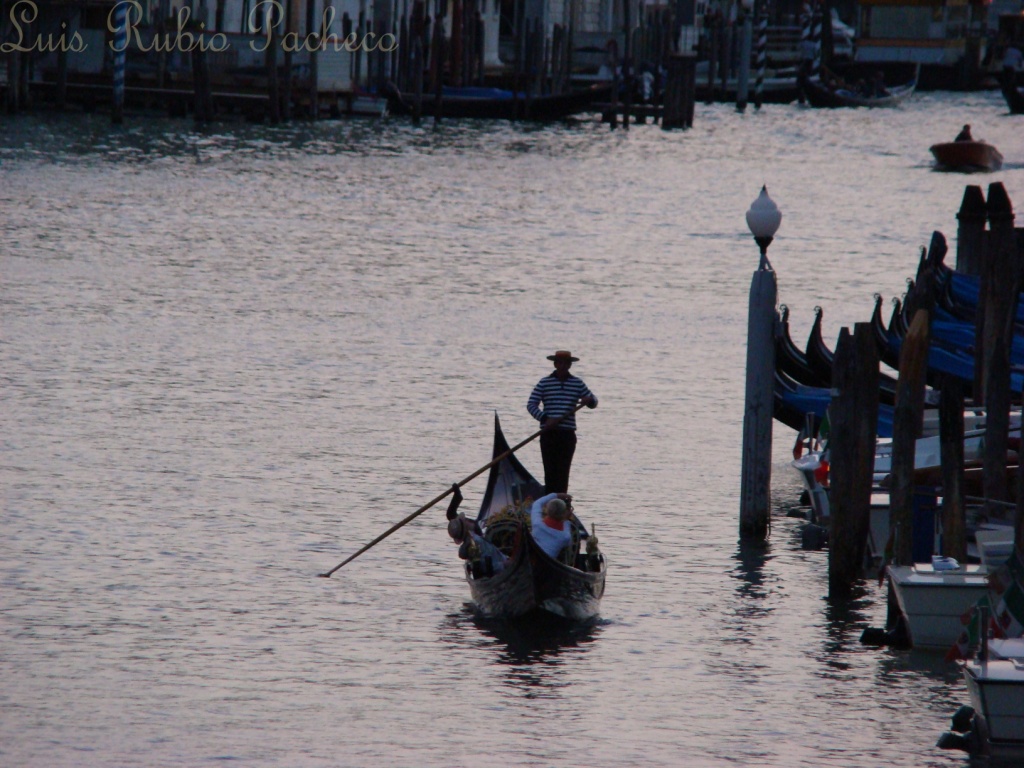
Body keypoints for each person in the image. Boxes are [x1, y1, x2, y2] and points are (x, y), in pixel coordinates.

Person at [527, 351, 598, 494]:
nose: (563, 365)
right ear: (555, 364)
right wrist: (545, 419)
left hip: (567, 434)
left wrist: (589, 400)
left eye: (566, 363)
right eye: (560, 362)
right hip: (548, 433)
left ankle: (560, 505)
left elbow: (594, 401)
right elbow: (531, 404)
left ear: (570, 365)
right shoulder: (544, 382)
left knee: (563, 472)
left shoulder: (577, 383)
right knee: (550, 472)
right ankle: (549, 505)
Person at [529, 492, 574, 559]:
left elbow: (537, 503)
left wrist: (556, 495)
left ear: (547, 511)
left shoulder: (537, 524)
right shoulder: (565, 536)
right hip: (546, 563)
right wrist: (566, 518)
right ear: (563, 514)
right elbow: (568, 543)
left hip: (531, 558)